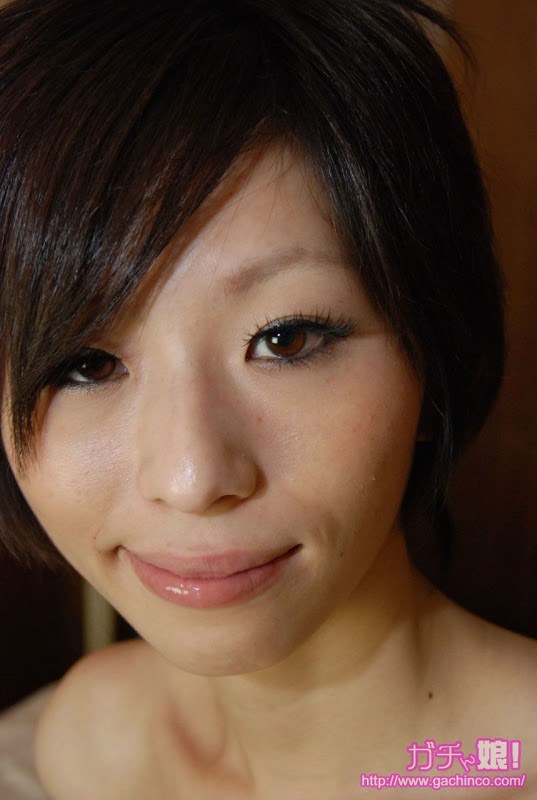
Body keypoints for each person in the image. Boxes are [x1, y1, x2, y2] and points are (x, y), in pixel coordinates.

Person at [0, 0, 535, 798]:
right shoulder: (91, 739)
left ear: (432, 348)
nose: (192, 477)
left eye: (285, 339)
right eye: (86, 363)